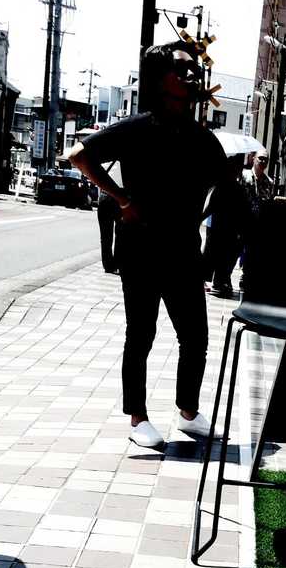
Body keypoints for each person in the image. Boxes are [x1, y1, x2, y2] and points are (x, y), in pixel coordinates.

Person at [69, 44, 224, 448]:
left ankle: (188, 412)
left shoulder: (203, 138)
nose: (192, 76)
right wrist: (122, 199)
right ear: (160, 79)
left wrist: (198, 213)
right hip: (140, 248)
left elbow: (221, 185)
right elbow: (79, 156)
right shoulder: (136, 128)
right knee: (141, 333)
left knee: (196, 335)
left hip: (184, 248)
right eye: (181, 69)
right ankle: (138, 418)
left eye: (195, 70)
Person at [203, 154, 250, 297]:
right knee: (216, 254)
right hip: (220, 228)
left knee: (225, 255)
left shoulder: (235, 188)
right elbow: (209, 207)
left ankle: (221, 280)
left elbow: (244, 211)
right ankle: (217, 280)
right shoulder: (221, 187)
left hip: (228, 229)